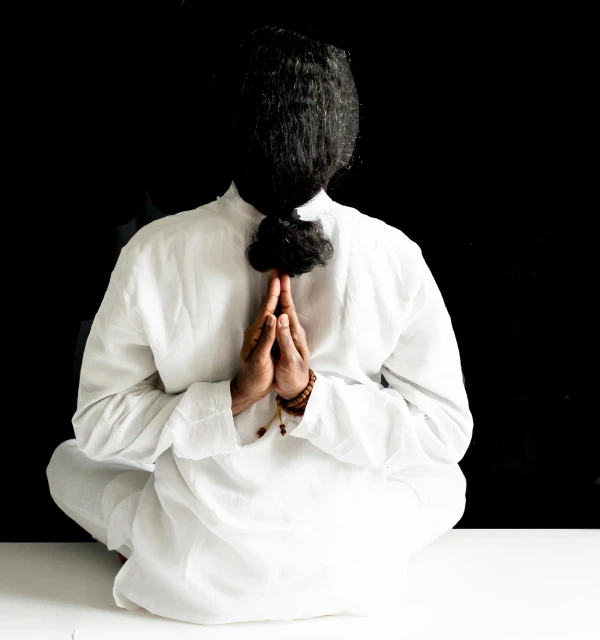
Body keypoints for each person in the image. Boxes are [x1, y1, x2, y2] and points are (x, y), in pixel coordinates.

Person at [46, 25, 473, 625]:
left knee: (67, 461)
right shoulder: (392, 253)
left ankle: (151, 551)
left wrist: (228, 403)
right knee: (446, 481)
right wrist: (308, 400)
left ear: (229, 131)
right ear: (342, 141)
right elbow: (444, 434)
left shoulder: (153, 250)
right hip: (349, 571)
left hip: (196, 575)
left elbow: (96, 428)